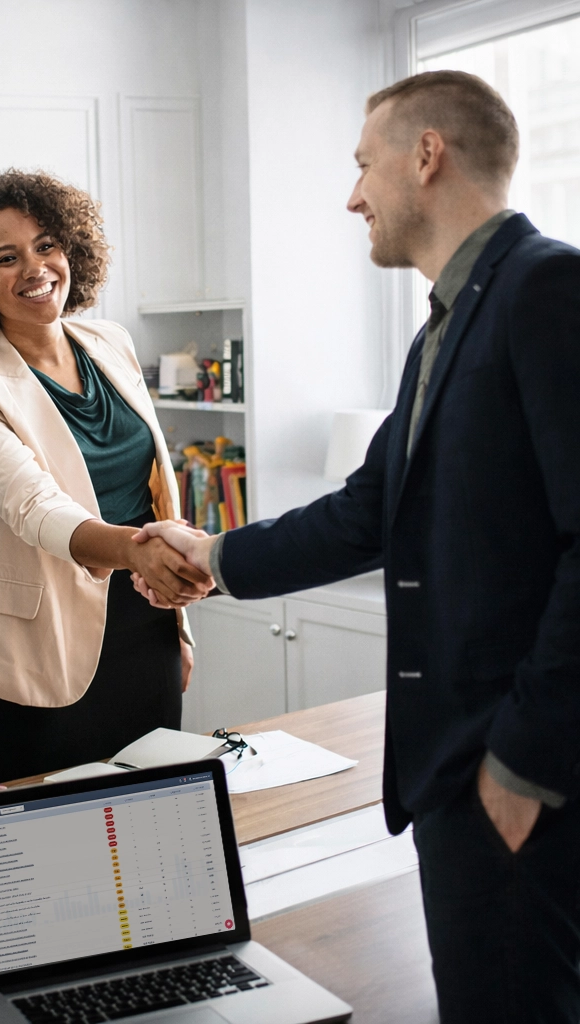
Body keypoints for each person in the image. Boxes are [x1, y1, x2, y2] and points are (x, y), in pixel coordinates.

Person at [133, 70, 580, 1022]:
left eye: (362, 164)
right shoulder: (442, 330)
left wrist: (523, 768)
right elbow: (370, 511)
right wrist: (212, 558)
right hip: (457, 779)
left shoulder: (547, 287)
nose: (352, 195)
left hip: (514, 775)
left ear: (427, 156)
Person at [0, 170, 212, 783]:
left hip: (144, 622)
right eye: (6, 258)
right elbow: (37, 509)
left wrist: (176, 628)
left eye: (47, 245)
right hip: (35, 653)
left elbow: (152, 491)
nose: (35, 267)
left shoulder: (112, 342)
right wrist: (141, 551)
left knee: (156, 817)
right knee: (40, 849)